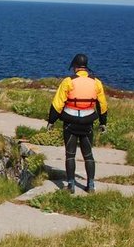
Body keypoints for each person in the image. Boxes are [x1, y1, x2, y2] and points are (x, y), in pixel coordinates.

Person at [46, 53, 108, 194]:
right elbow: (102, 105)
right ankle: (91, 185)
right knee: (88, 155)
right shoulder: (96, 82)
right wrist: (103, 122)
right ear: (86, 67)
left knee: (70, 154)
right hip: (88, 122)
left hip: (70, 122)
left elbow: (57, 104)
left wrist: (51, 121)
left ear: (74, 67)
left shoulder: (68, 81)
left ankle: (71, 185)